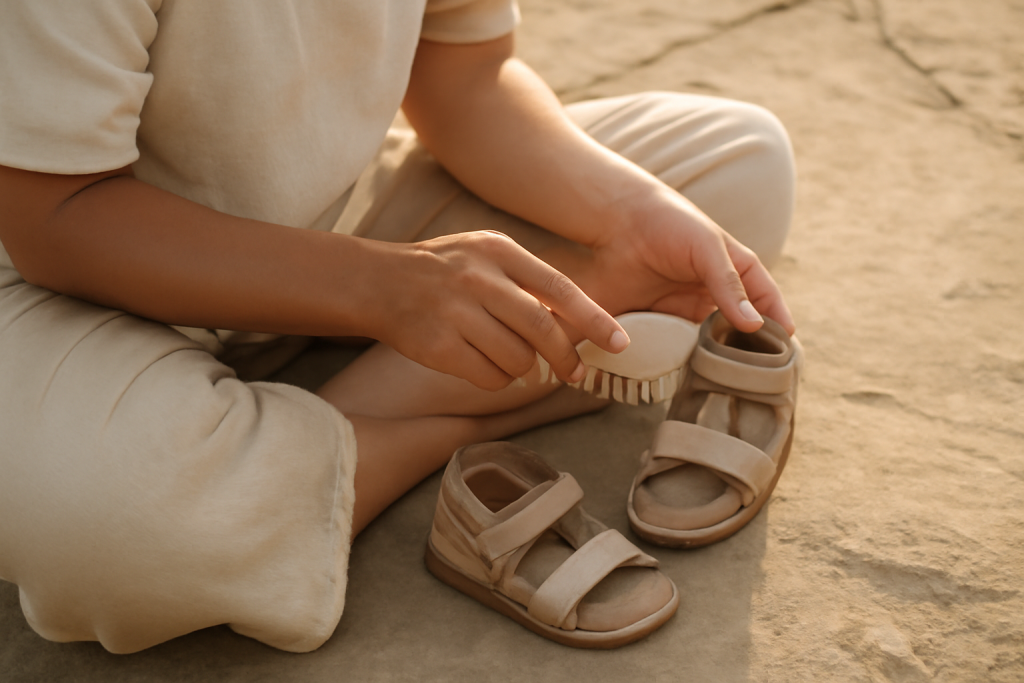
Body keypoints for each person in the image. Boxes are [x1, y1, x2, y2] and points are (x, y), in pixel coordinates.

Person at [0, 0, 795, 653]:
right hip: (56, 284)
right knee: (128, 533)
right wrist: (385, 290)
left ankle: (309, 450)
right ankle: (413, 411)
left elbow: (465, 75)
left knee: (740, 165)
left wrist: (630, 215)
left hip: (330, 218)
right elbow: (53, 218)